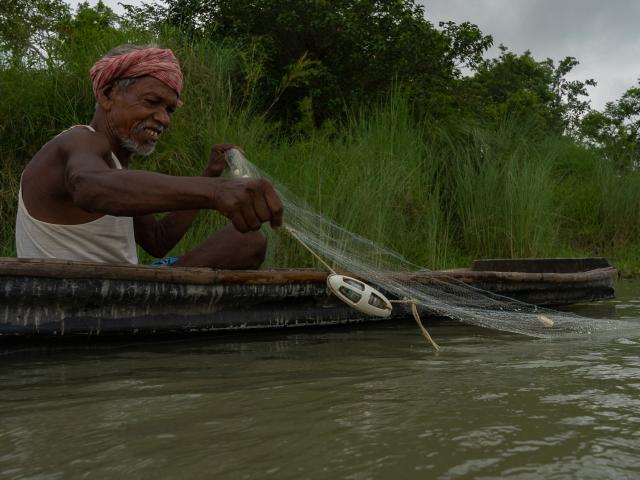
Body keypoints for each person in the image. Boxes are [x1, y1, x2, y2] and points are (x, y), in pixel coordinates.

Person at [15, 44, 283, 269]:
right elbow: (87, 186)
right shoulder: (79, 141)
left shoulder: (115, 170)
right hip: (76, 303)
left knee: (249, 241)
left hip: (121, 295)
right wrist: (215, 190)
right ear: (108, 95)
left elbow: (157, 240)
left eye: (169, 109)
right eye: (152, 102)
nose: (164, 119)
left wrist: (210, 173)